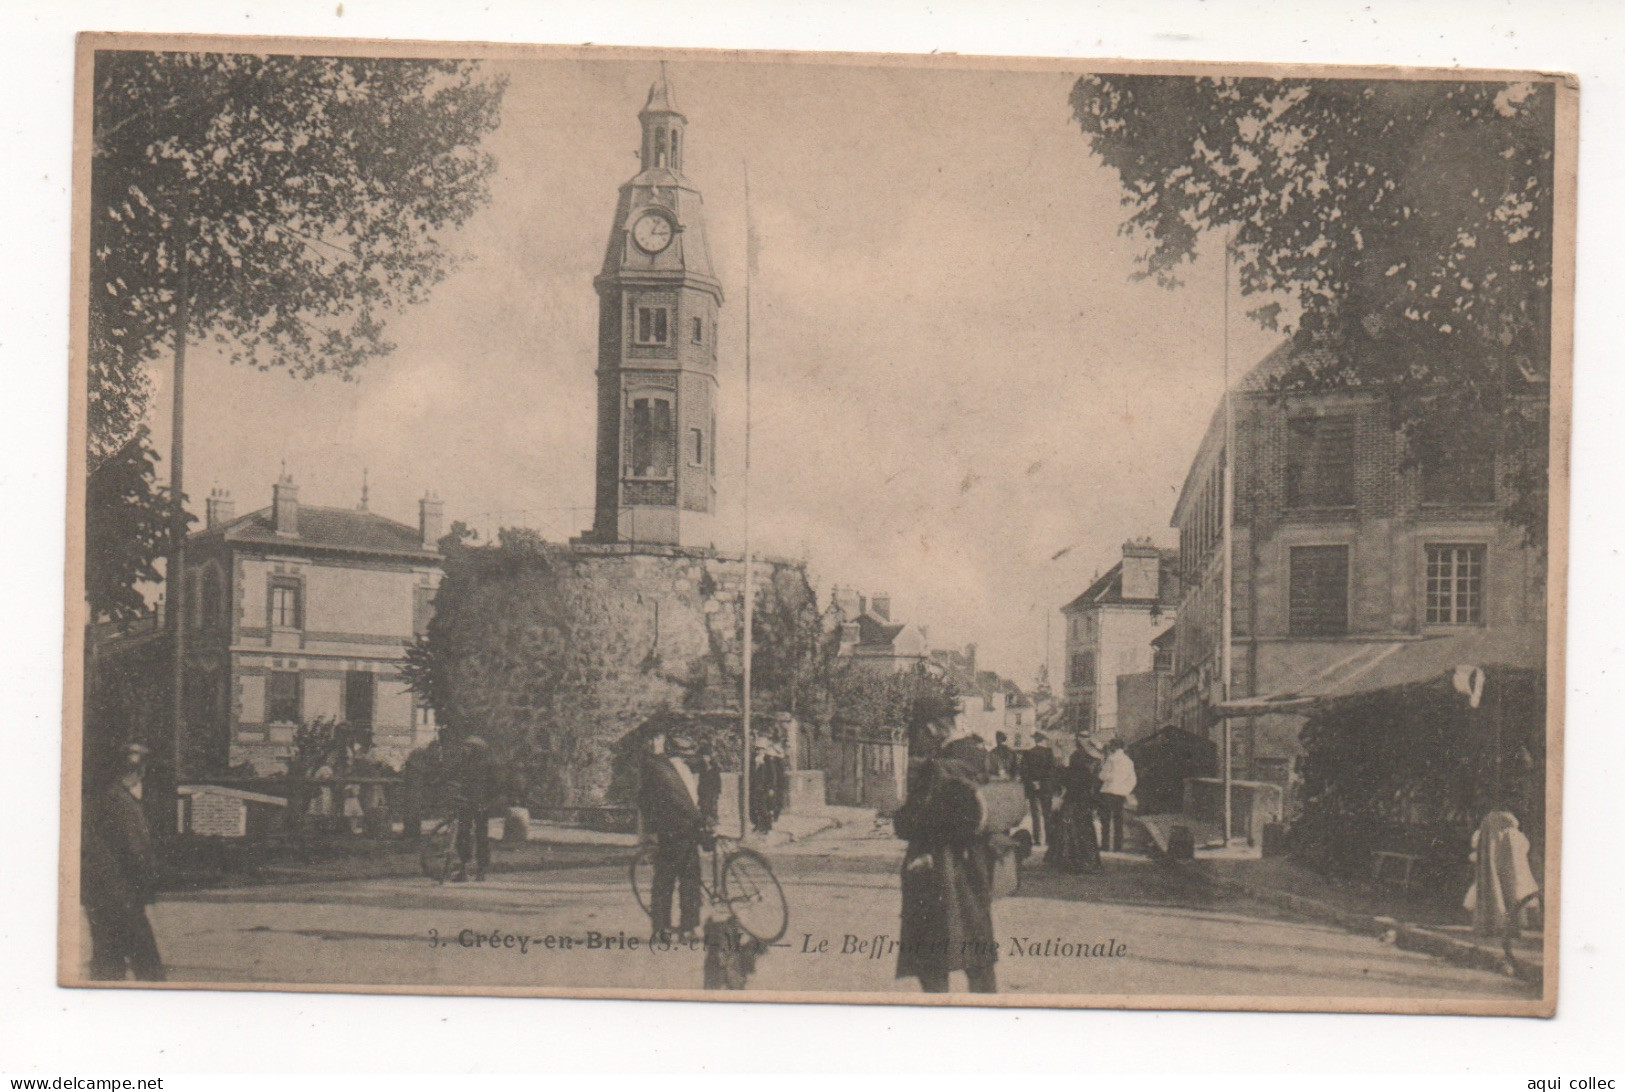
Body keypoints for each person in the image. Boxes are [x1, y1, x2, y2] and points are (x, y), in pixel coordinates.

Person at [895, 716, 999, 994]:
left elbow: (916, 818)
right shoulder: (982, 756)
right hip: (977, 859)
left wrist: (902, 820)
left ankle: (938, 1017)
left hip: (938, 863)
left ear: (929, 728)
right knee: (977, 947)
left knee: (930, 949)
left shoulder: (936, 765)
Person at [80, 741, 165, 981]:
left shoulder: (97, 800)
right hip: (124, 894)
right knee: (147, 962)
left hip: (97, 894)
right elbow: (136, 851)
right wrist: (146, 886)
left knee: (107, 959)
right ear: (141, 772)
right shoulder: (125, 804)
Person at [638, 729, 710, 942]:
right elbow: (679, 800)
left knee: (679, 879)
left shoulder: (669, 767)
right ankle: (674, 929)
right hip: (673, 829)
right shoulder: (661, 768)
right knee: (675, 879)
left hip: (682, 829)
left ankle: (674, 928)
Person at [1464, 808, 1540, 937]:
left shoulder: (1492, 828)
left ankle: (1500, 924)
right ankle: (1506, 925)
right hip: (1507, 866)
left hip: (1505, 866)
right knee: (1508, 889)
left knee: (1503, 889)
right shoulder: (1511, 833)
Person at [1046, 738, 1103, 873]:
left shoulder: (1068, 772)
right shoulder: (1088, 774)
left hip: (1070, 805)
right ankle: (1088, 860)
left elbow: (1059, 782)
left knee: (1068, 833)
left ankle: (1069, 861)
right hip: (1084, 806)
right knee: (1086, 833)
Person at [452, 735, 499, 882]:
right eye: (465, 747)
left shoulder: (487, 765)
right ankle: (463, 868)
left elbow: (494, 786)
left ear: (476, 750)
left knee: (481, 836)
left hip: (480, 804)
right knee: (463, 834)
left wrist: (488, 801)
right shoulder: (464, 764)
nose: (465, 750)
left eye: (469, 747)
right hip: (466, 803)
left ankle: (481, 869)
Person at [1096, 738, 1137, 853]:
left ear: (1113, 747)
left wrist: (1107, 777)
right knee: (1118, 820)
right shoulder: (1129, 761)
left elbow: (1102, 776)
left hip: (1108, 792)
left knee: (1106, 820)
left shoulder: (1111, 759)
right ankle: (1117, 847)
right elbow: (1133, 780)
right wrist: (1125, 790)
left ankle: (1105, 845)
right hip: (1120, 794)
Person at [1020, 731, 1057, 847]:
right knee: (1047, 813)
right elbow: (1052, 771)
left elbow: (1023, 771)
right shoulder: (1049, 753)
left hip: (1033, 787)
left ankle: (1037, 839)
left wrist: (1032, 781)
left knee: (1035, 814)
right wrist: (1044, 782)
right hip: (1046, 787)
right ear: (1043, 741)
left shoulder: (1028, 753)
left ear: (1036, 740)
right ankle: (1049, 839)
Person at [694, 740, 723, 827]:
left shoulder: (714, 768)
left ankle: (713, 821)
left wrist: (717, 791)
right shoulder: (702, 768)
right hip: (703, 791)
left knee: (712, 807)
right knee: (703, 806)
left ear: (710, 757)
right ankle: (706, 822)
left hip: (712, 791)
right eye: (703, 756)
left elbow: (718, 781)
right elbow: (701, 780)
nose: (704, 758)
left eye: (706, 756)